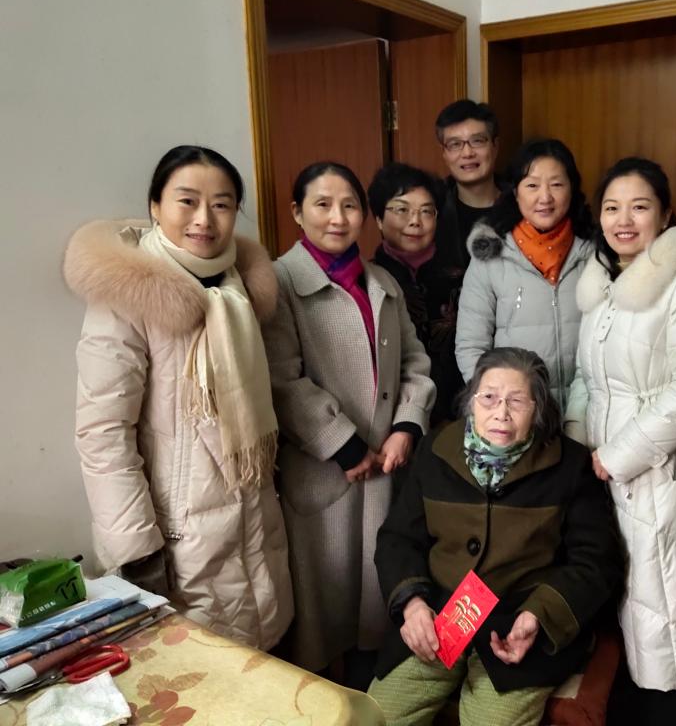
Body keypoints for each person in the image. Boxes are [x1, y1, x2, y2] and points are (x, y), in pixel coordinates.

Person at [65, 145, 293, 650]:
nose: (204, 219)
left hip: (256, 527)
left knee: (262, 668)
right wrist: (137, 551)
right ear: (155, 205)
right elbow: (103, 433)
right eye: (187, 201)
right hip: (177, 543)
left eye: (221, 204)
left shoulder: (240, 290)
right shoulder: (127, 296)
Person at [368, 347, 622, 726]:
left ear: (538, 409)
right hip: (439, 616)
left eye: (516, 401)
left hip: (517, 626)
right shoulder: (436, 450)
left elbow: (596, 560)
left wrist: (539, 615)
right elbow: (398, 538)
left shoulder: (569, 465)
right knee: (375, 718)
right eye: (489, 397)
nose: (501, 413)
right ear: (472, 401)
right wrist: (412, 605)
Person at [565, 157, 676, 724]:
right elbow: (587, 379)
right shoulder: (603, 290)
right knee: (627, 600)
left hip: (661, 470)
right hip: (605, 470)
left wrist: (618, 454)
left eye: (639, 207)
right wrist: (578, 447)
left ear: (666, 214)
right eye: (612, 208)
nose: (623, 220)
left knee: (669, 607)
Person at [261, 161, 435, 684]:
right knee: (322, 612)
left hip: (385, 467)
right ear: (297, 212)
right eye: (322, 204)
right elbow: (280, 379)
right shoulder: (278, 282)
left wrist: (407, 425)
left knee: (373, 610)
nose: (337, 218)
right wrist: (344, 444)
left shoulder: (381, 281)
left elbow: (415, 362)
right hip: (323, 475)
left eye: (349, 206)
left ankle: (369, 700)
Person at [456, 138, 594, 410]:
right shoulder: (491, 257)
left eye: (557, 184)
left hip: (586, 412)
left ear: (572, 189)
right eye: (532, 185)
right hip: (515, 415)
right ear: (515, 192)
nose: (545, 197)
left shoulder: (593, 255)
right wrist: (497, 408)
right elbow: (471, 346)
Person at [369, 162, 462, 423]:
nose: (415, 221)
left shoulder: (462, 279)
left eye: (426, 211)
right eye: (401, 210)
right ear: (378, 218)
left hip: (457, 411)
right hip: (389, 418)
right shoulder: (367, 280)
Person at [433, 100, 504, 275]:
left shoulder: (524, 204)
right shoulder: (432, 209)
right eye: (455, 144)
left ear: (495, 146)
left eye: (477, 141)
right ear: (444, 153)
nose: (467, 153)